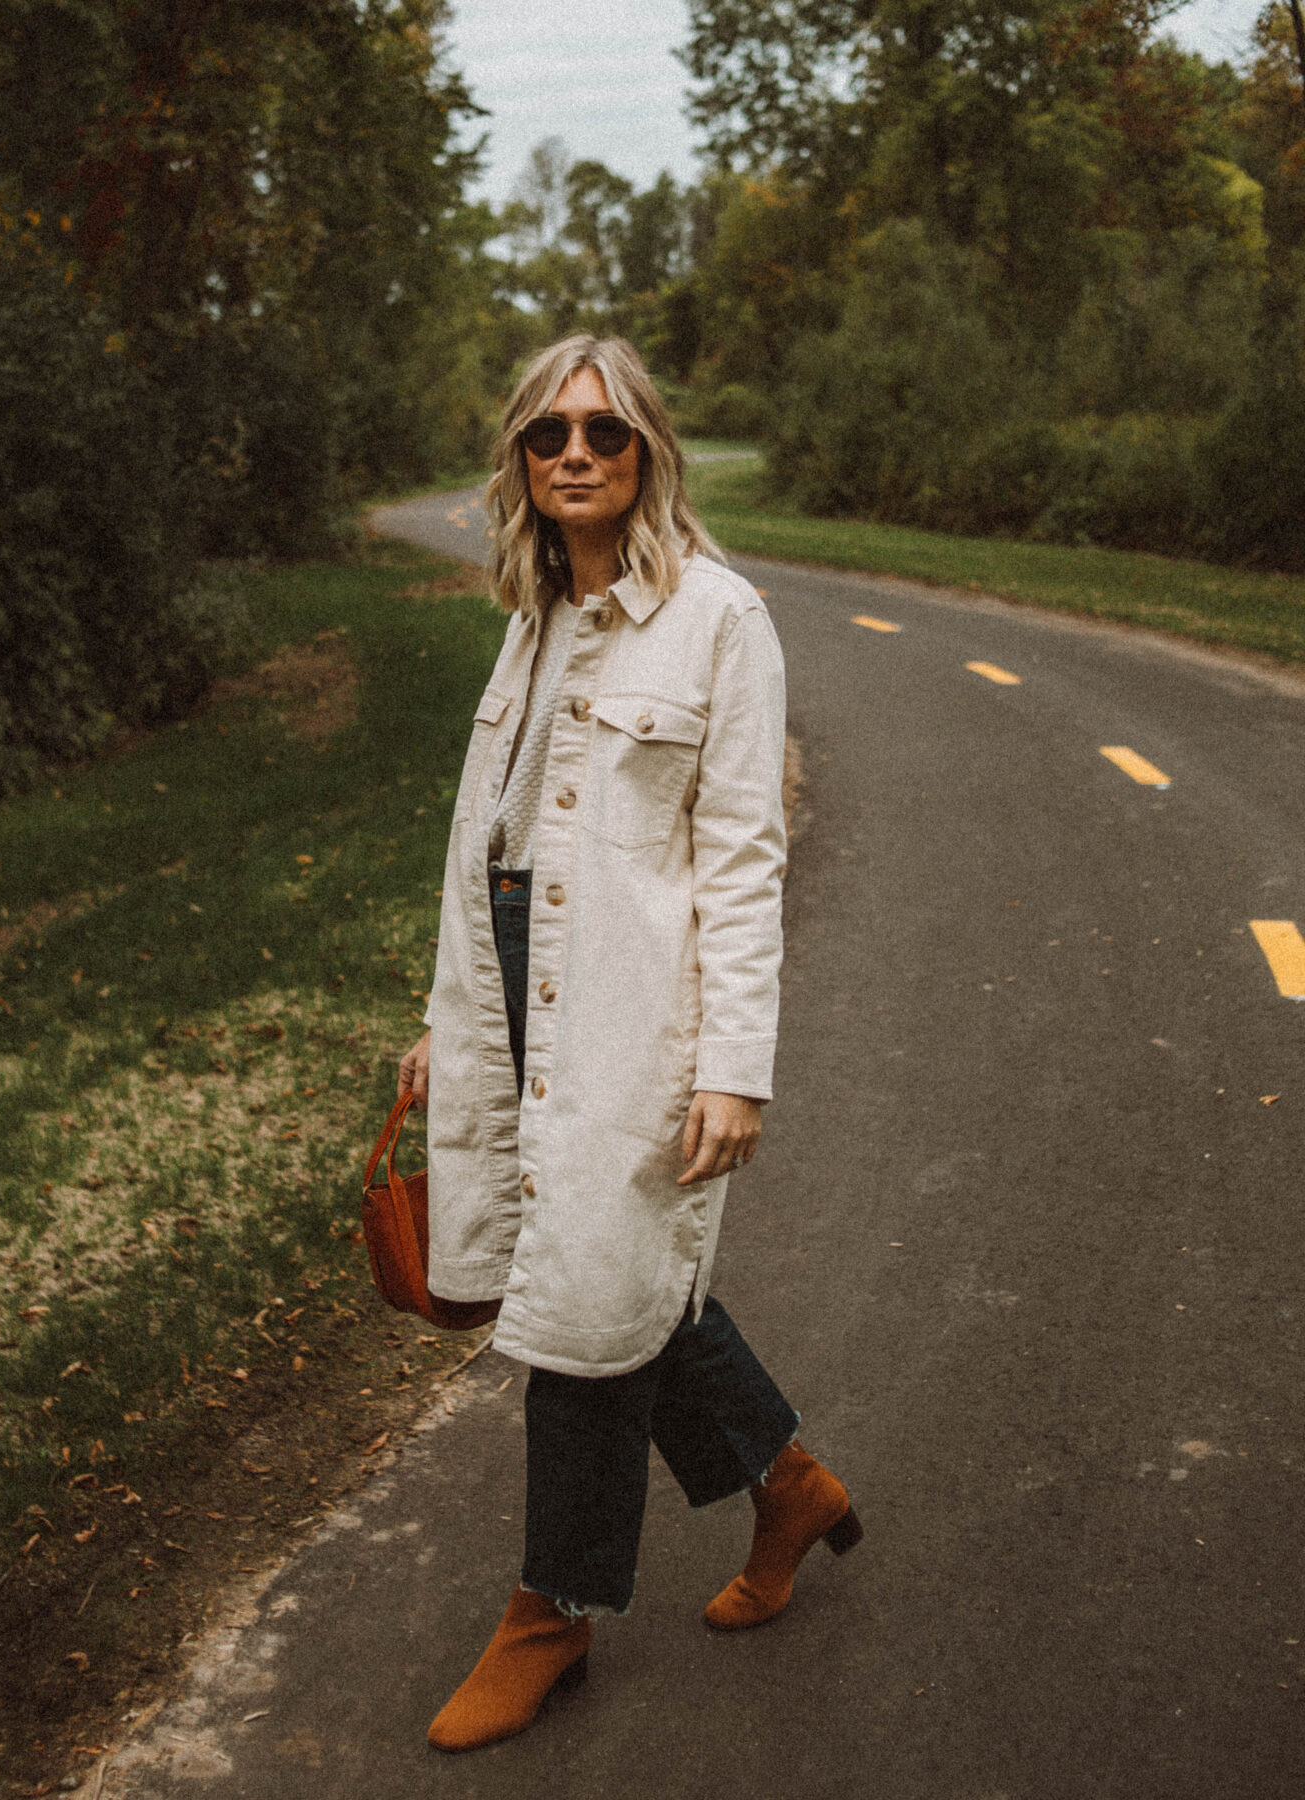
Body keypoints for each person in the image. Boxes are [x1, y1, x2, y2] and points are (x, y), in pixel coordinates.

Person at [396, 334, 861, 1753]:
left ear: (647, 448)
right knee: (610, 1282)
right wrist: (445, 1020)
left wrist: (733, 1064)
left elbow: (740, 857)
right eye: (548, 436)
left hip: (633, 1014)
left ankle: (554, 1614)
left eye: (603, 430)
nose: (576, 454)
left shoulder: (720, 620)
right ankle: (788, 1486)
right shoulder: (532, 618)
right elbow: (489, 844)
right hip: (516, 991)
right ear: (522, 466)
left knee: (589, 1315)